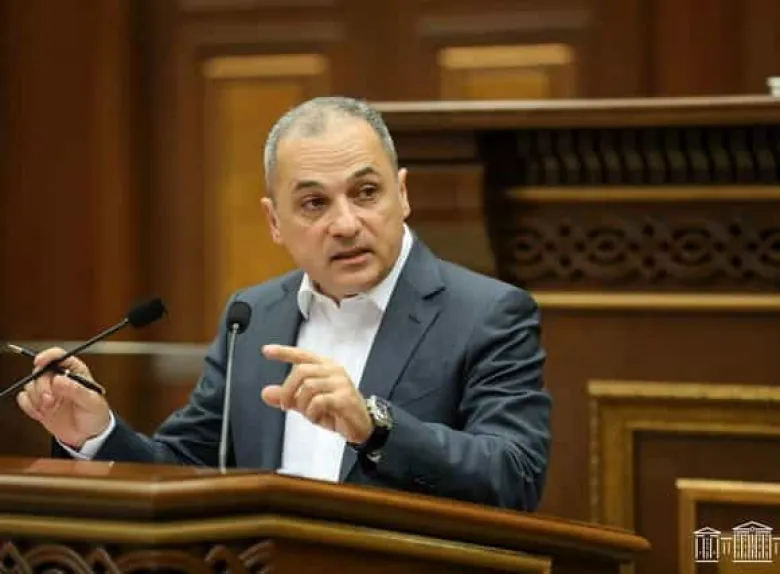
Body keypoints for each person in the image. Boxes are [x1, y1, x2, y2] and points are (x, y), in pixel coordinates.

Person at [15, 96, 552, 511]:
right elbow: (185, 467)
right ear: (274, 221)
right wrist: (95, 432)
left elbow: (515, 475)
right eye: (315, 203)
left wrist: (375, 426)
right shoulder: (254, 316)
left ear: (403, 194)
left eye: (366, 193)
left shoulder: (487, 313)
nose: (346, 224)